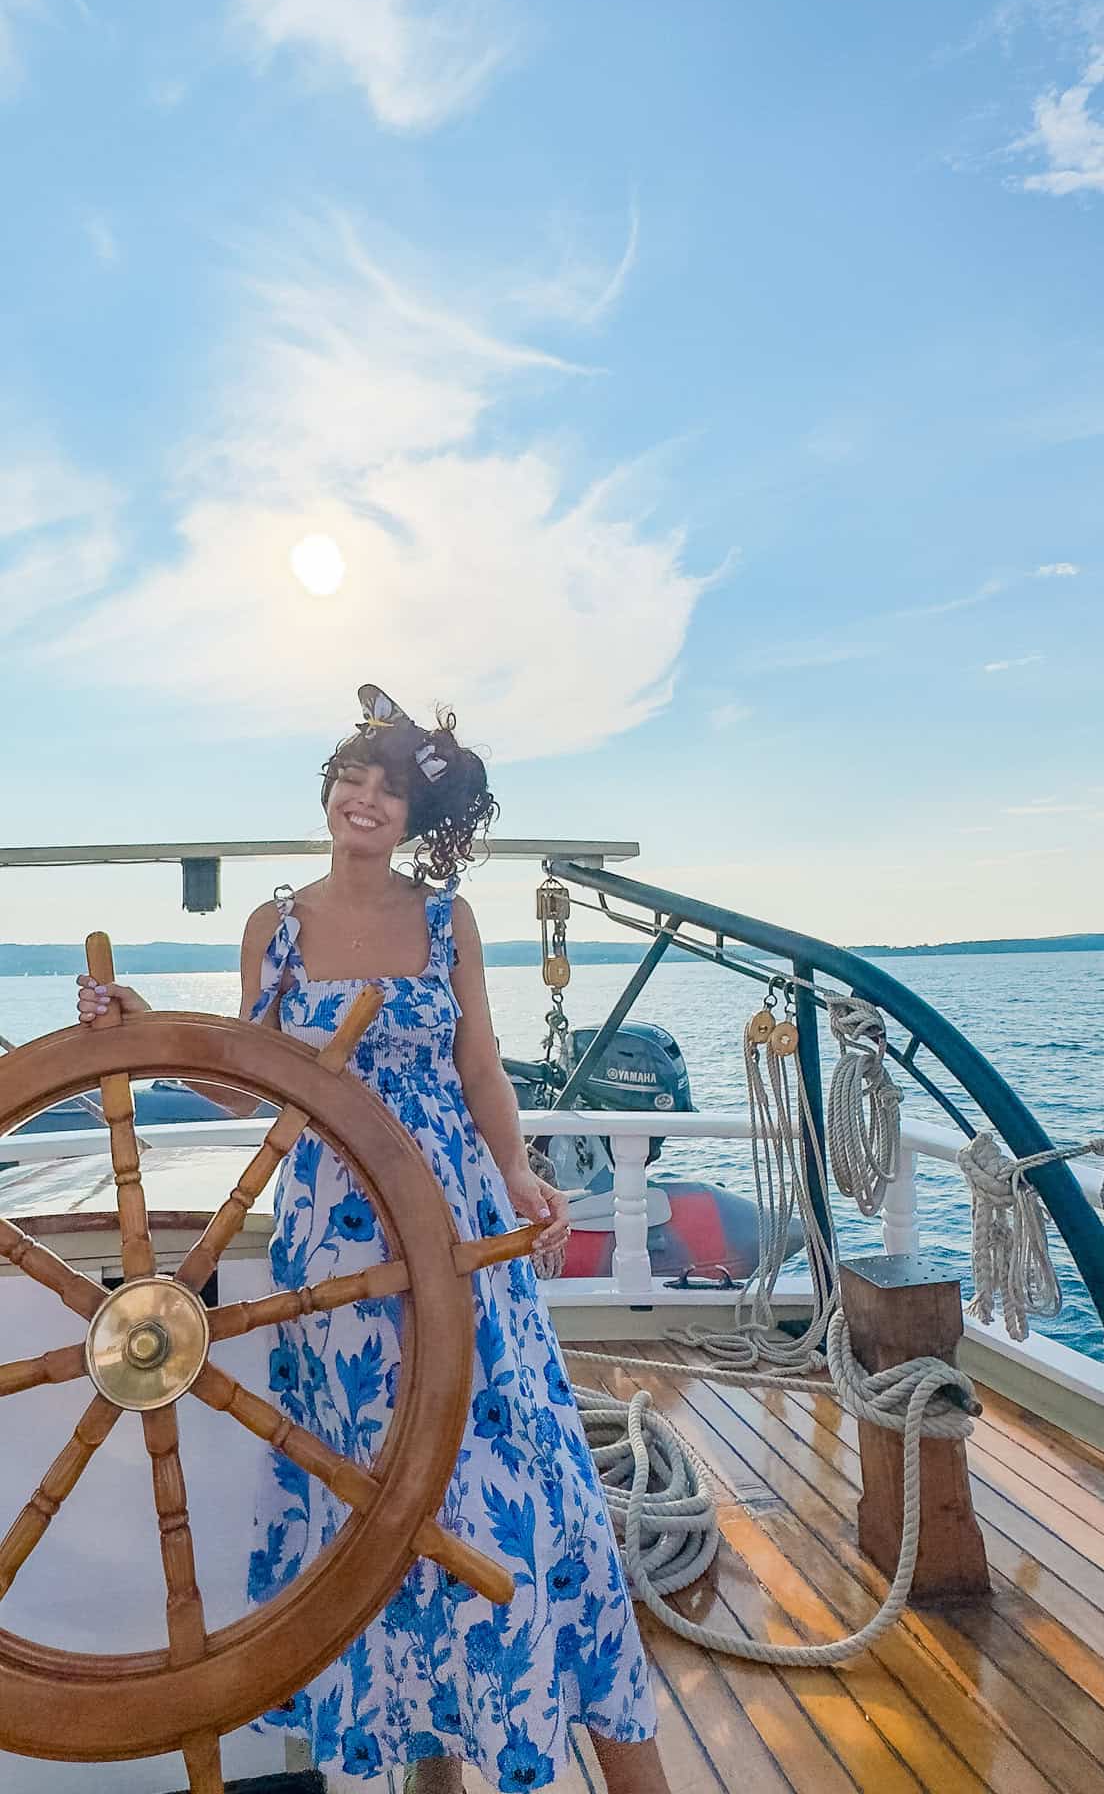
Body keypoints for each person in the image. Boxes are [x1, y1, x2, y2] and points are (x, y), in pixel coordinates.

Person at [78, 684, 670, 1794]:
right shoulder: (278, 925)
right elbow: (242, 1086)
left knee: (512, 1468)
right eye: (352, 776)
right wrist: (144, 1021)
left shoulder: (448, 921)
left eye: (389, 786)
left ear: (414, 816)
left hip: (453, 1213)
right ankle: (431, 1772)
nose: (365, 795)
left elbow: (481, 1062)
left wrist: (516, 1169)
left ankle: (580, 1724)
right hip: (333, 1244)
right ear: (329, 791)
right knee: (379, 1490)